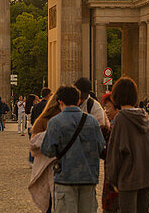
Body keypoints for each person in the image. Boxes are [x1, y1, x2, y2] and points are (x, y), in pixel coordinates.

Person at [40, 85, 106, 213]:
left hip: (65, 177)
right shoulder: (92, 121)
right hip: (89, 177)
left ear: (60, 102)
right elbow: (100, 146)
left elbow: (47, 150)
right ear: (78, 101)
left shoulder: (55, 122)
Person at [104, 77, 149, 213]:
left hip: (128, 177)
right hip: (147, 175)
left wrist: (113, 179)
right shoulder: (144, 116)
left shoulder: (121, 118)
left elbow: (115, 152)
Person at [29, 87, 64, 213]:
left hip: (46, 167)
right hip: (64, 168)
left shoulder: (43, 120)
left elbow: (33, 146)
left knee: (49, 204)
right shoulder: (67, 119)